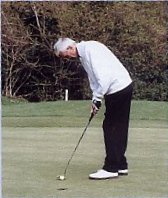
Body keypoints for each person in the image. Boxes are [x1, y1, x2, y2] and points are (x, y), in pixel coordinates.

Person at [54, 38, 133, 180]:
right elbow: (94, 80)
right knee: (118, 127)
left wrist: (98, 99)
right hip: (121, 86)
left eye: (64, 55)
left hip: (117, 88)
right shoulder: (84, 53)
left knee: (111, 127)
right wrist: (94, 100)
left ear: (70, 47)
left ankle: (111, 168)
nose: (66, 59)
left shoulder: (90, 51)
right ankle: (121, 164)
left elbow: (103, 78)